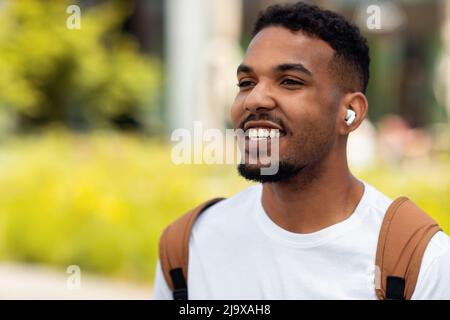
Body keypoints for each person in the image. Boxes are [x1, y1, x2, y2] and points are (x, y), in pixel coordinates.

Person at [153, 2, 450, 299]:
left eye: (290, 82)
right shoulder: (188, 250)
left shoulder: (418, 263)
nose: (254, 99)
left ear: (350, 112)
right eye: (246, 82)